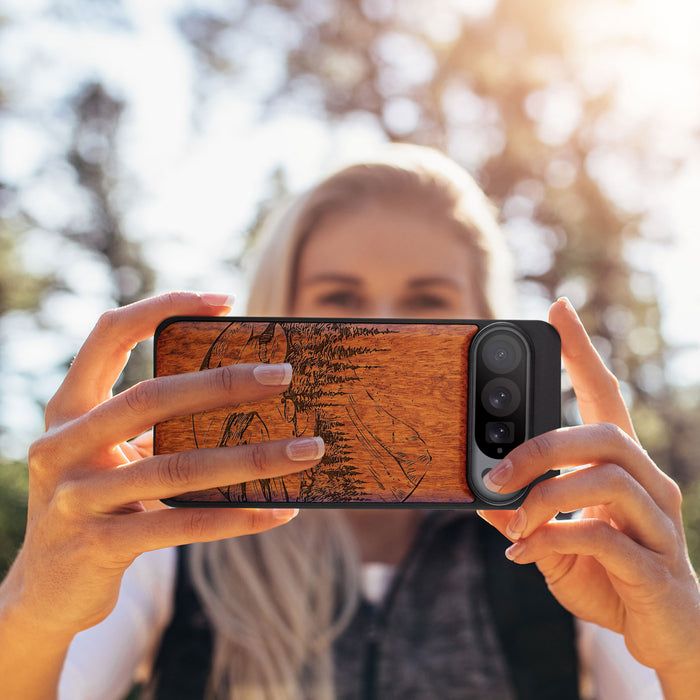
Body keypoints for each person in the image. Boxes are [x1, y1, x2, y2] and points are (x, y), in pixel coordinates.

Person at [0, 145, 698, 700]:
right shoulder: (170, 535)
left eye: (428, 301)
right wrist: (34, 607)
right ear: (278, 314)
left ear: (486, 323)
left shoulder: (567, 544)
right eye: (340, 299)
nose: (381, 328)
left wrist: (685, 648)